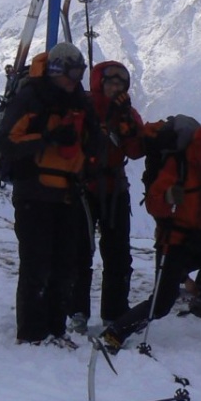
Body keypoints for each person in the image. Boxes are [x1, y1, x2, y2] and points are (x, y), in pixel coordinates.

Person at [98, 121, 201, 349]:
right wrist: (167, 198)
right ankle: (117, 331)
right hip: (176, 240)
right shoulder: (178, 164)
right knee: (161, 302)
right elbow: (153, 204)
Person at [0, 41, 100, 347]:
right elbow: (8, 142)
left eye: (79, 74)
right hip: (34, 194)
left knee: (64, 265)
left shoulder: (80, 102)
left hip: (68, 194)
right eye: (71, 73)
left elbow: (91, 142)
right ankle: (31, 334)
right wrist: (48, 138)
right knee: (36, 264)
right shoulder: (32, 97)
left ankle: (56, 329)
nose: (74, 80)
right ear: (56, 70)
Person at [74, 60, 146, 330]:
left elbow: (137, 150)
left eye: (120, 83)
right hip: (85, 189)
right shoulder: (83, 109)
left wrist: (126, 119)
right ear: (98, 82)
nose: (116, 87)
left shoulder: (125, 112)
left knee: (118, 255)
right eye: (111, 82)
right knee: (80, 253)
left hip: (113, 189)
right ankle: (77, 312)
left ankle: (114, 313)